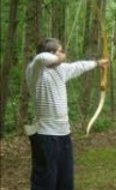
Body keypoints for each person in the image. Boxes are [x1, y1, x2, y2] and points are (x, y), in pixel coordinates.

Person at [25, 38, 108, 190]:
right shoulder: (35, 71)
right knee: (45, 181)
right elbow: (40, 58)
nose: (64, 54)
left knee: (65, 180)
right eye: (60, 51)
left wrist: (97, 63)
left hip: (64, 133)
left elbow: (79, 66)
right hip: (45, 134)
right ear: (51, 53)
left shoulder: (61, 70)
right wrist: (58, 57)